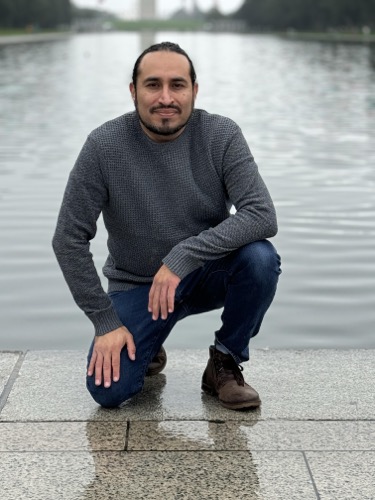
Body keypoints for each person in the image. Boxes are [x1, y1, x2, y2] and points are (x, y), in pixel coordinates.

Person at [52, 41, 281, 411]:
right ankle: (149, 344)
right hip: (138, 284)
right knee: (108, 393)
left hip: (207, 274)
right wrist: (104, 321)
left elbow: (261, 214)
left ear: (194, 90)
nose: (165, 98)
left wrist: (183, 256)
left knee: (260, 259)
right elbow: (68, 239)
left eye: (177, 85)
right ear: (133, 91)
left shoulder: (221, 135)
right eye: (152, 85)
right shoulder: (103, 145)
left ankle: (224, 359)